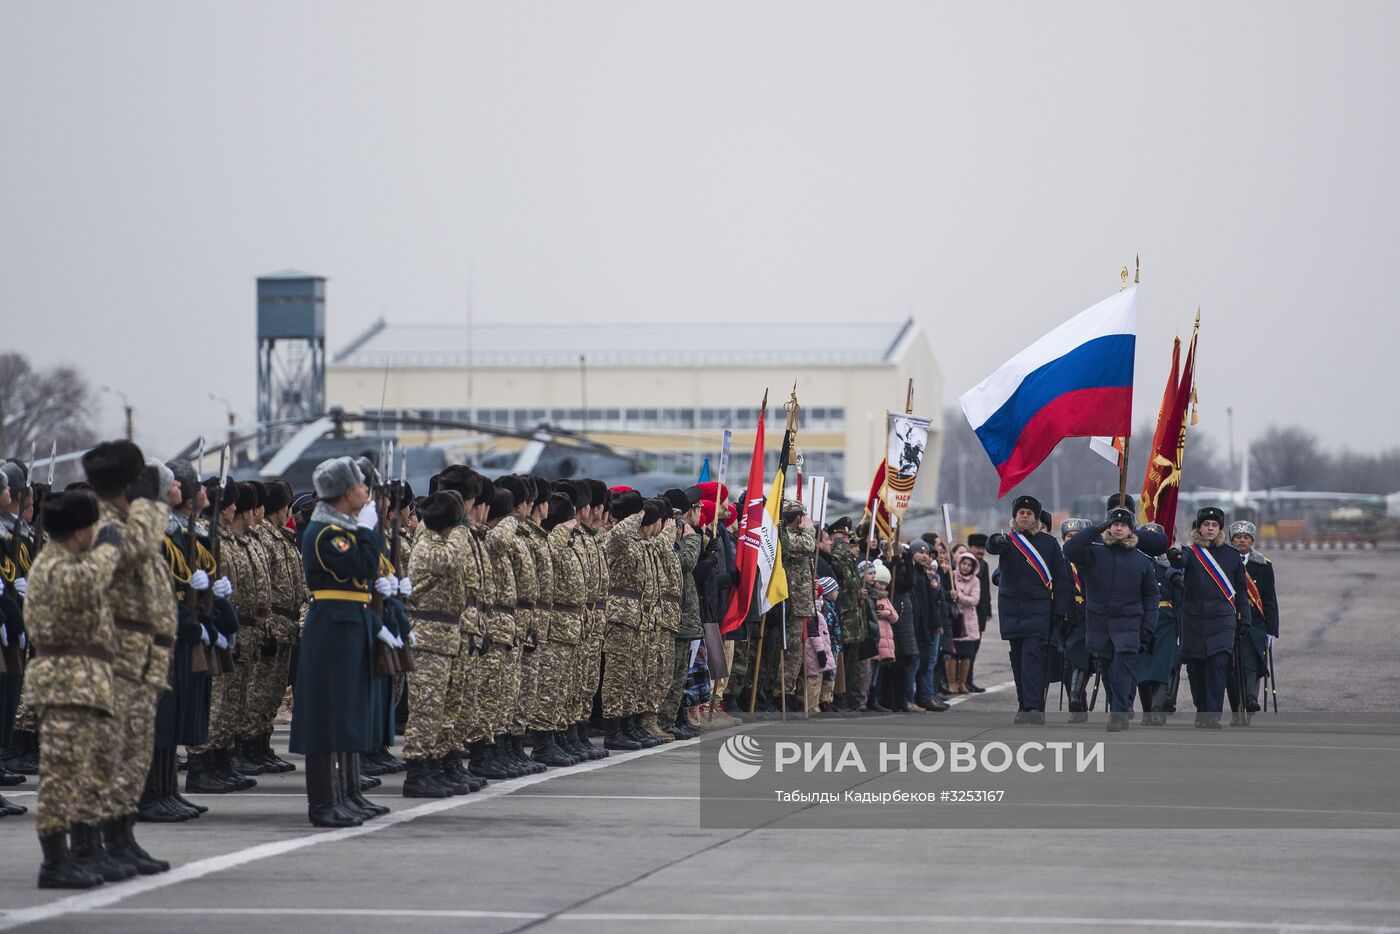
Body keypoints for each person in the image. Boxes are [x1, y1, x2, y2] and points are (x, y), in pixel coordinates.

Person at [26, 489, 130, 888]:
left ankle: (82, 850)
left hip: (85, 679)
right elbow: (88, 583)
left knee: (89, 772)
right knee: (61, 773)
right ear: (79, 531)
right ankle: (55, 860)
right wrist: (109, 547)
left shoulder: (72, 560)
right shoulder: (55, 566)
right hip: (64, 682)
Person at [289, 457, 385, 827]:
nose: (366, 492)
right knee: (327, 717)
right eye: (361, 486)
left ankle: (344, 795)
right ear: (346, 493)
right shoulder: (329, 534)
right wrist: (367, 530)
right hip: (333, 627)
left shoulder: (340, 527)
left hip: (348, 625)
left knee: (345, 712)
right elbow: (363, 565)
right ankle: (324, 803)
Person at [1063, 507, 1160, 731]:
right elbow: (1069, 551)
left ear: (1130, 529)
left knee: (1122, 668)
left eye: (1123, 525)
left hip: (1128, 623)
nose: (1118, 528)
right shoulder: (1094, 552)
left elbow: (1151, 596)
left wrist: (1148, 625)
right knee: (1107, 669)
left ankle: (1118, 712)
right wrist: (1094, 529)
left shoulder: (1141, 560)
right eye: (1114, 524)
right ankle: (1121, 704)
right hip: (1100, 622)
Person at [986, 495, 1071, 724]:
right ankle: (1024, 704)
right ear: (1015, 516)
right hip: (1012, 610)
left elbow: (1062, 580)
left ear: (1035, 518)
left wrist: (1060, 611)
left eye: (1029, 513)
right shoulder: (1007, 541)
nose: (1024, 516)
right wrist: (995, 542)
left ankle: (1034, 707)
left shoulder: (1049, 543)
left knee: (1033, 659)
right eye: (1021, 512)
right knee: (1018, 659)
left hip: (1038, 610)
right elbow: (992, 545)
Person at [1170, 506, 1252, 729]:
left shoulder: (1231, 555)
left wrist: (1245, 619)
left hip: (1222, 620)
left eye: (1214, 525)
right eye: (1206, 524)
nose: (1210, 528)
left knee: (1218, 666)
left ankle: (1212, 714)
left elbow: (1241, 592)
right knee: (1196, 669)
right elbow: (1179, 563)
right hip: (1194, 620)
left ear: (1220, 529)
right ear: (1199, 527)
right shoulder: (1190, 552)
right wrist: (1174, 557)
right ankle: (1202, 709)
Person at [1228, 520, 1278, 725]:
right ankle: (1237, 708)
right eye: (1238, 537)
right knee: (1233, 667)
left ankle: (1250, 699)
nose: (1242, 541)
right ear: (1232, 540)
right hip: (1231, 620)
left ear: (1252, 541)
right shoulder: (1225, 562)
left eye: (1246, 537)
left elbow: (1269, 599)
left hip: (1256, 622)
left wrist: (1272, 630)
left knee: (1251, 663)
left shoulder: (1263, 565)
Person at [1136, 521, 1182, 726]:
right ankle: (1148, 709)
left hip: (1166, 620)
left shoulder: (1171, 567)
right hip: (1141, 619)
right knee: (1142, 668)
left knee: (1162, 666)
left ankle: (1157, 708)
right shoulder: (1135, 562)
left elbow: (1180, 599)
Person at [1056, 519, 1094, 722]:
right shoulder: (1060, 562)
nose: (1072, 540)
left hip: (1087, 614)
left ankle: (1074, 696)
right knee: (1067, 662)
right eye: (1069, 537)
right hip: (1067, 614)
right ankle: (1079, 701)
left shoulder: (1091, 560)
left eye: (1076, 537)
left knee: (1081, 654)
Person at [951, 551, 982, 695]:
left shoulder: (975, 581)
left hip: (968, 622)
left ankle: (962, 683)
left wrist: (959, 596)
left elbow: (974, 600)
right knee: (952, 654)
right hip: (954, 620)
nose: (965, 567)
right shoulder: (952, 576)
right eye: (964, 563)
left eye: (969, 565)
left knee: (966, 654)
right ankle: (952, 682)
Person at [965, 533, 992, 692]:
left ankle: (969, 680)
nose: (980, 551)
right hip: (968, 613)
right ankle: (963, 681)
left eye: (983, 548)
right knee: (967, 650)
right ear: (970, 547)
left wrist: (987, 610)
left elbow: (986, 591)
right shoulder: (966, 563)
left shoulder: (985, 564)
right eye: (978, 547)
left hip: (980, 614)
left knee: (974, 649)